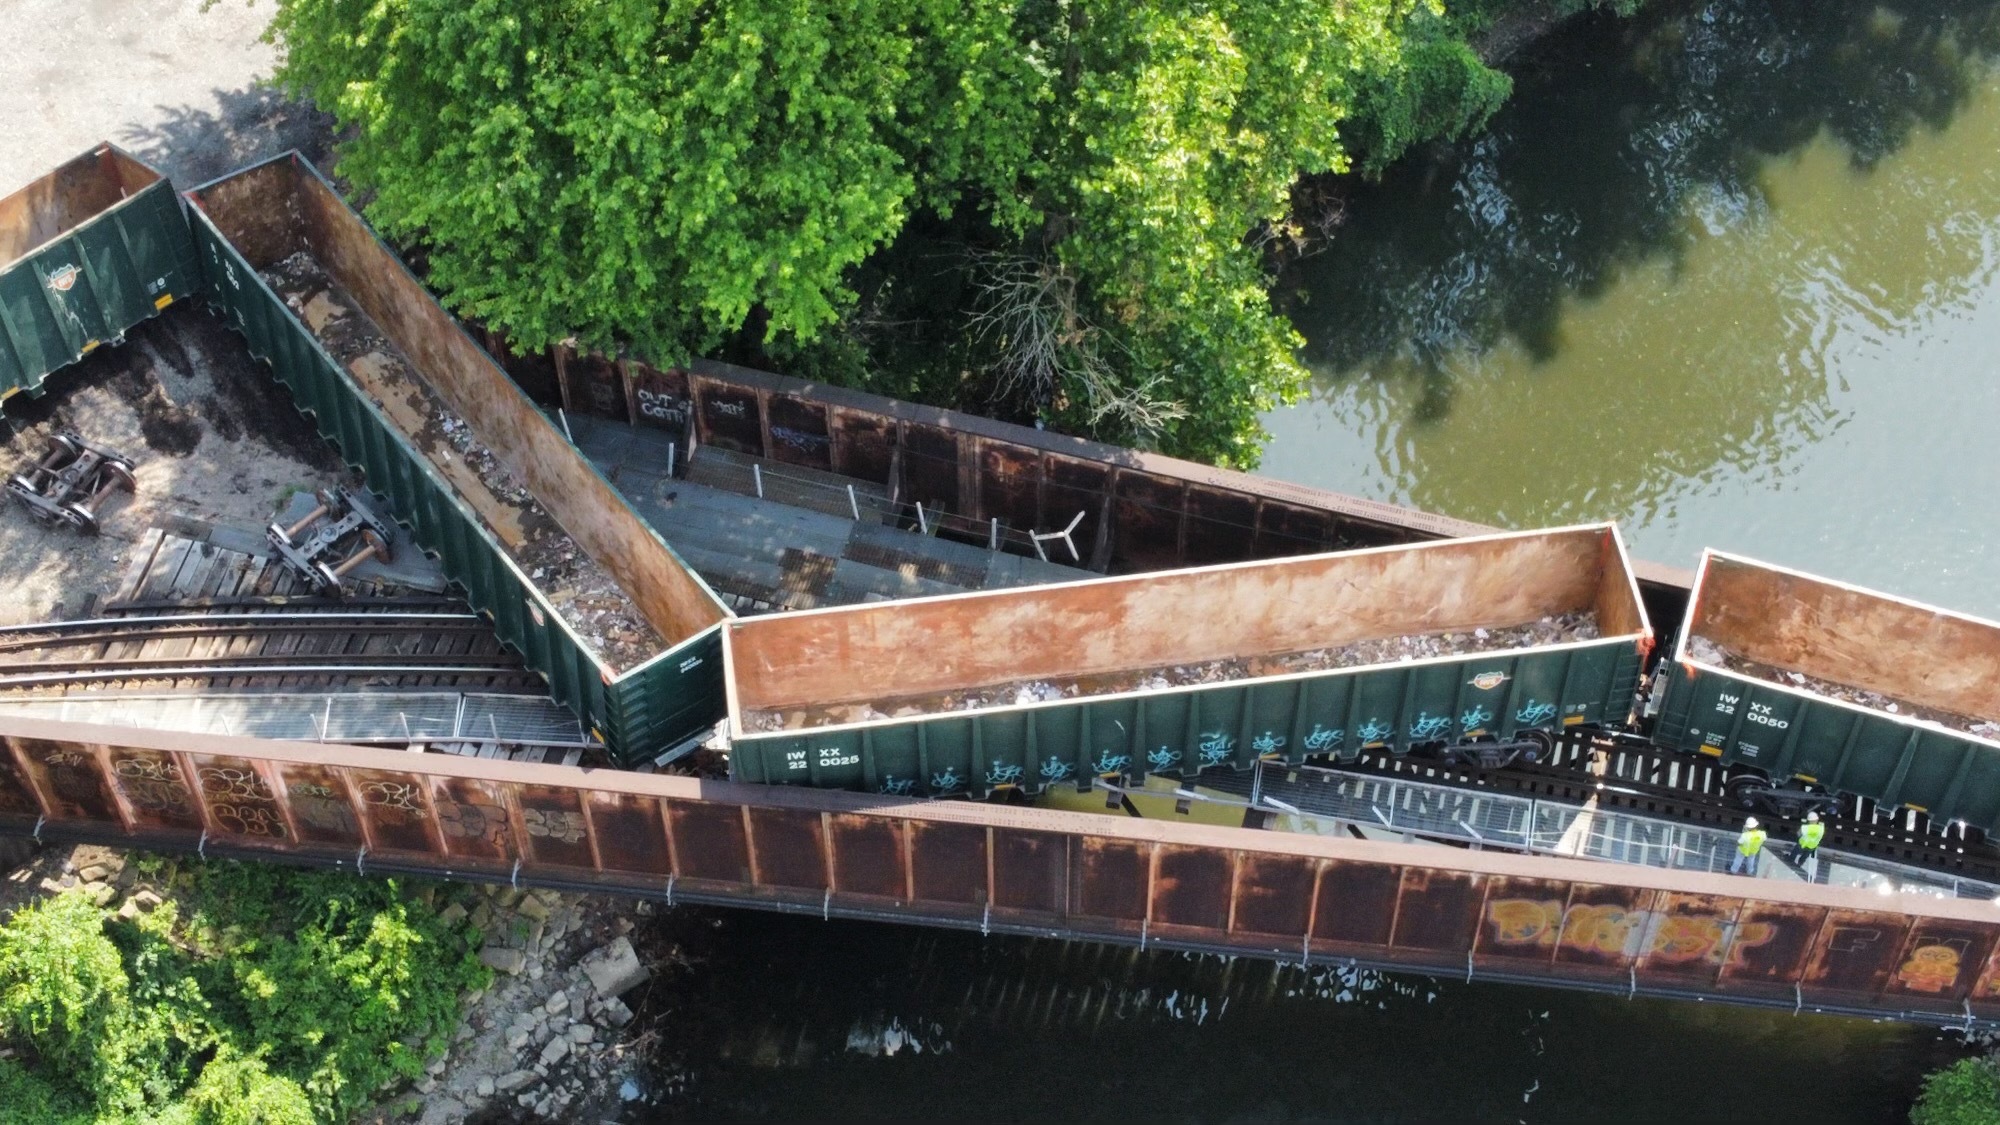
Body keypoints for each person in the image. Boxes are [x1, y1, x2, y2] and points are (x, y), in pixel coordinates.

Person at [1798, 811, 1826, 880]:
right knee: (1804, 857)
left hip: (1802, 844)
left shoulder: (1807, 827)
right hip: (1812, 846)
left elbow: (1799, 833)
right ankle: (1799, 864)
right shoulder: (1820, 828)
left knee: (1795, 853)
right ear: (1817, 820)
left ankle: (1792, 861)